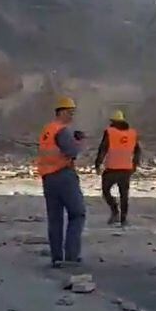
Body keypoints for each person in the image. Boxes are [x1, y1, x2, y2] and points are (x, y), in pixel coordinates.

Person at [37, 96, 86, 267]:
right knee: (77, 213)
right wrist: (79, 141)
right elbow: (72, 152)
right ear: (63, 112)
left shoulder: (47, 130)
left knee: (55, 219)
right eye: (71, 112)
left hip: (48, 178)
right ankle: (71, 257)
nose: (72, 116)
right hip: (63, 175)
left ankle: (57, 257)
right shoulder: (62, 131)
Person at [94, 110, 141, 227]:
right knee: (124, 195)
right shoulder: (132, 133)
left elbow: (103, 149)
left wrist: (98, 164)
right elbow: (138, 151)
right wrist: (135, 165)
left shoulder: (110, 132)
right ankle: (123, 219)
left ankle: (115, 211)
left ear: (113, 121)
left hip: (112, 168)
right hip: (126, 169)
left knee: (106, 191)